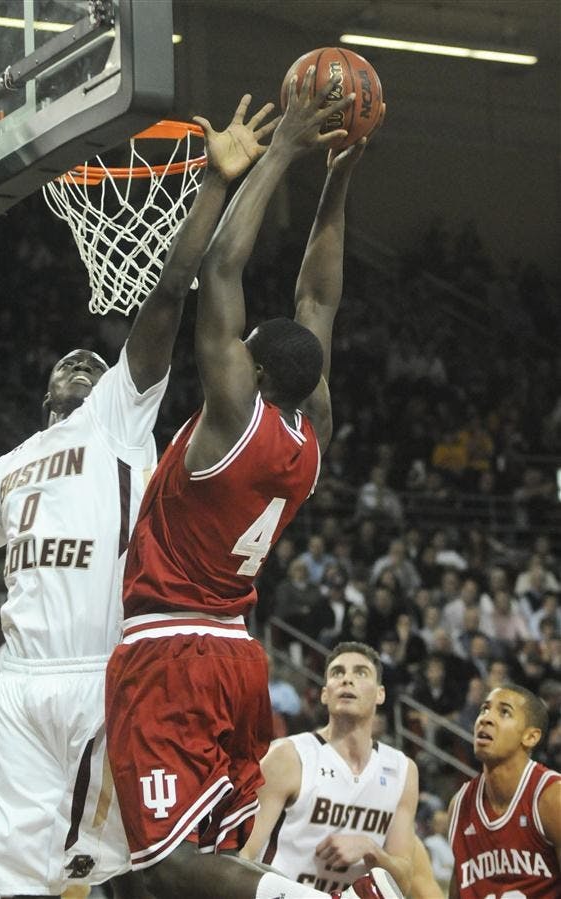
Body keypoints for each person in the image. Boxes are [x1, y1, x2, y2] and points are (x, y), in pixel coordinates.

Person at [0, 94, 278, 899]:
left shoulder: (116, 418)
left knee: (141, 865)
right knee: (10, 875)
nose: (80, 361)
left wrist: (212, 187)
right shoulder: (10, 464)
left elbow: (170, 291)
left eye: (92, 361)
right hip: (21, 680)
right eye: (66, 363)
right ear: (44, 396)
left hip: (106, 671)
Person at [105, 69, 391, 899]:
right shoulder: (312, 432)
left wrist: (287, 149)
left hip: (172, 649)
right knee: (167, 863)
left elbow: (222, 270)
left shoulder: (232, 421)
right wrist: (339, 175)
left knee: (164, 867)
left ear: (254, 367)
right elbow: (320, 296)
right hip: (236, 653)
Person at [240, 642, 418, 896]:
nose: (347, 679)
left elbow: (403, 881)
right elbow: (242, 858)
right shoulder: (288, 756)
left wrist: (370, 849)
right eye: (337, 673)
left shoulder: (402, 770)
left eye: (360, 672)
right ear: (325, 693)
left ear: (380, 694)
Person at [448, 683, 561, 898]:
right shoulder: (460, 805)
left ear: (530, 737)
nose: (486, 718)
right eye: (484, 709)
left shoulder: (551, 797)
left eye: (505, 712)